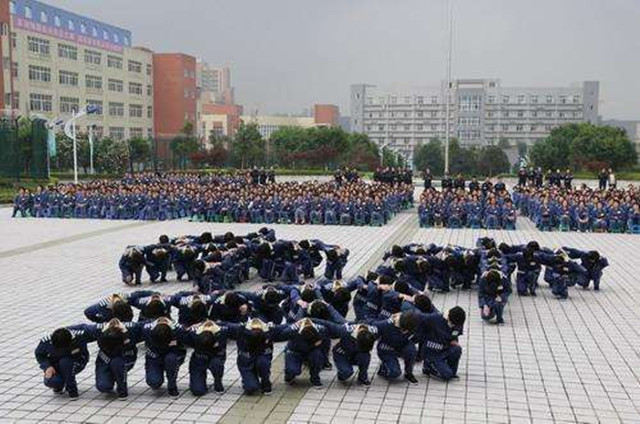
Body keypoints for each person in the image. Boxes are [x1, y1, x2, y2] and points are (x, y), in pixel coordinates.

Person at [35, 325, 93, 399]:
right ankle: (58, 385)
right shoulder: (46, 341)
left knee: (65, 363)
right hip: (55, 365)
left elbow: (82, 354)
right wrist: (47, 367)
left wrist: (73, 392)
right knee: (52, 381)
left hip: (76, 362)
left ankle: (71, 388)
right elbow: (40, 355)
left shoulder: (78, 338)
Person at [413, 307, 466, 381]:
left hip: (445, 348)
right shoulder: (434, 318)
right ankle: (428, 366)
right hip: (432, 351)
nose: (454, 326)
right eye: (452, 324)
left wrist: (454, 340)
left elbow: (455, 334)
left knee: (457, 349)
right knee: (447, 375)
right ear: (448, 317)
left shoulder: (458, 322)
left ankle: (450, 371)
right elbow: (416, 317)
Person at [140, 318, 187, 396]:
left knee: (171, 359)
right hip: (154, 358)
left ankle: (172, 384)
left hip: (171, 355)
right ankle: (156, 372)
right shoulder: (146, 329)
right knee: (154, 382)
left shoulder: (179, 330)